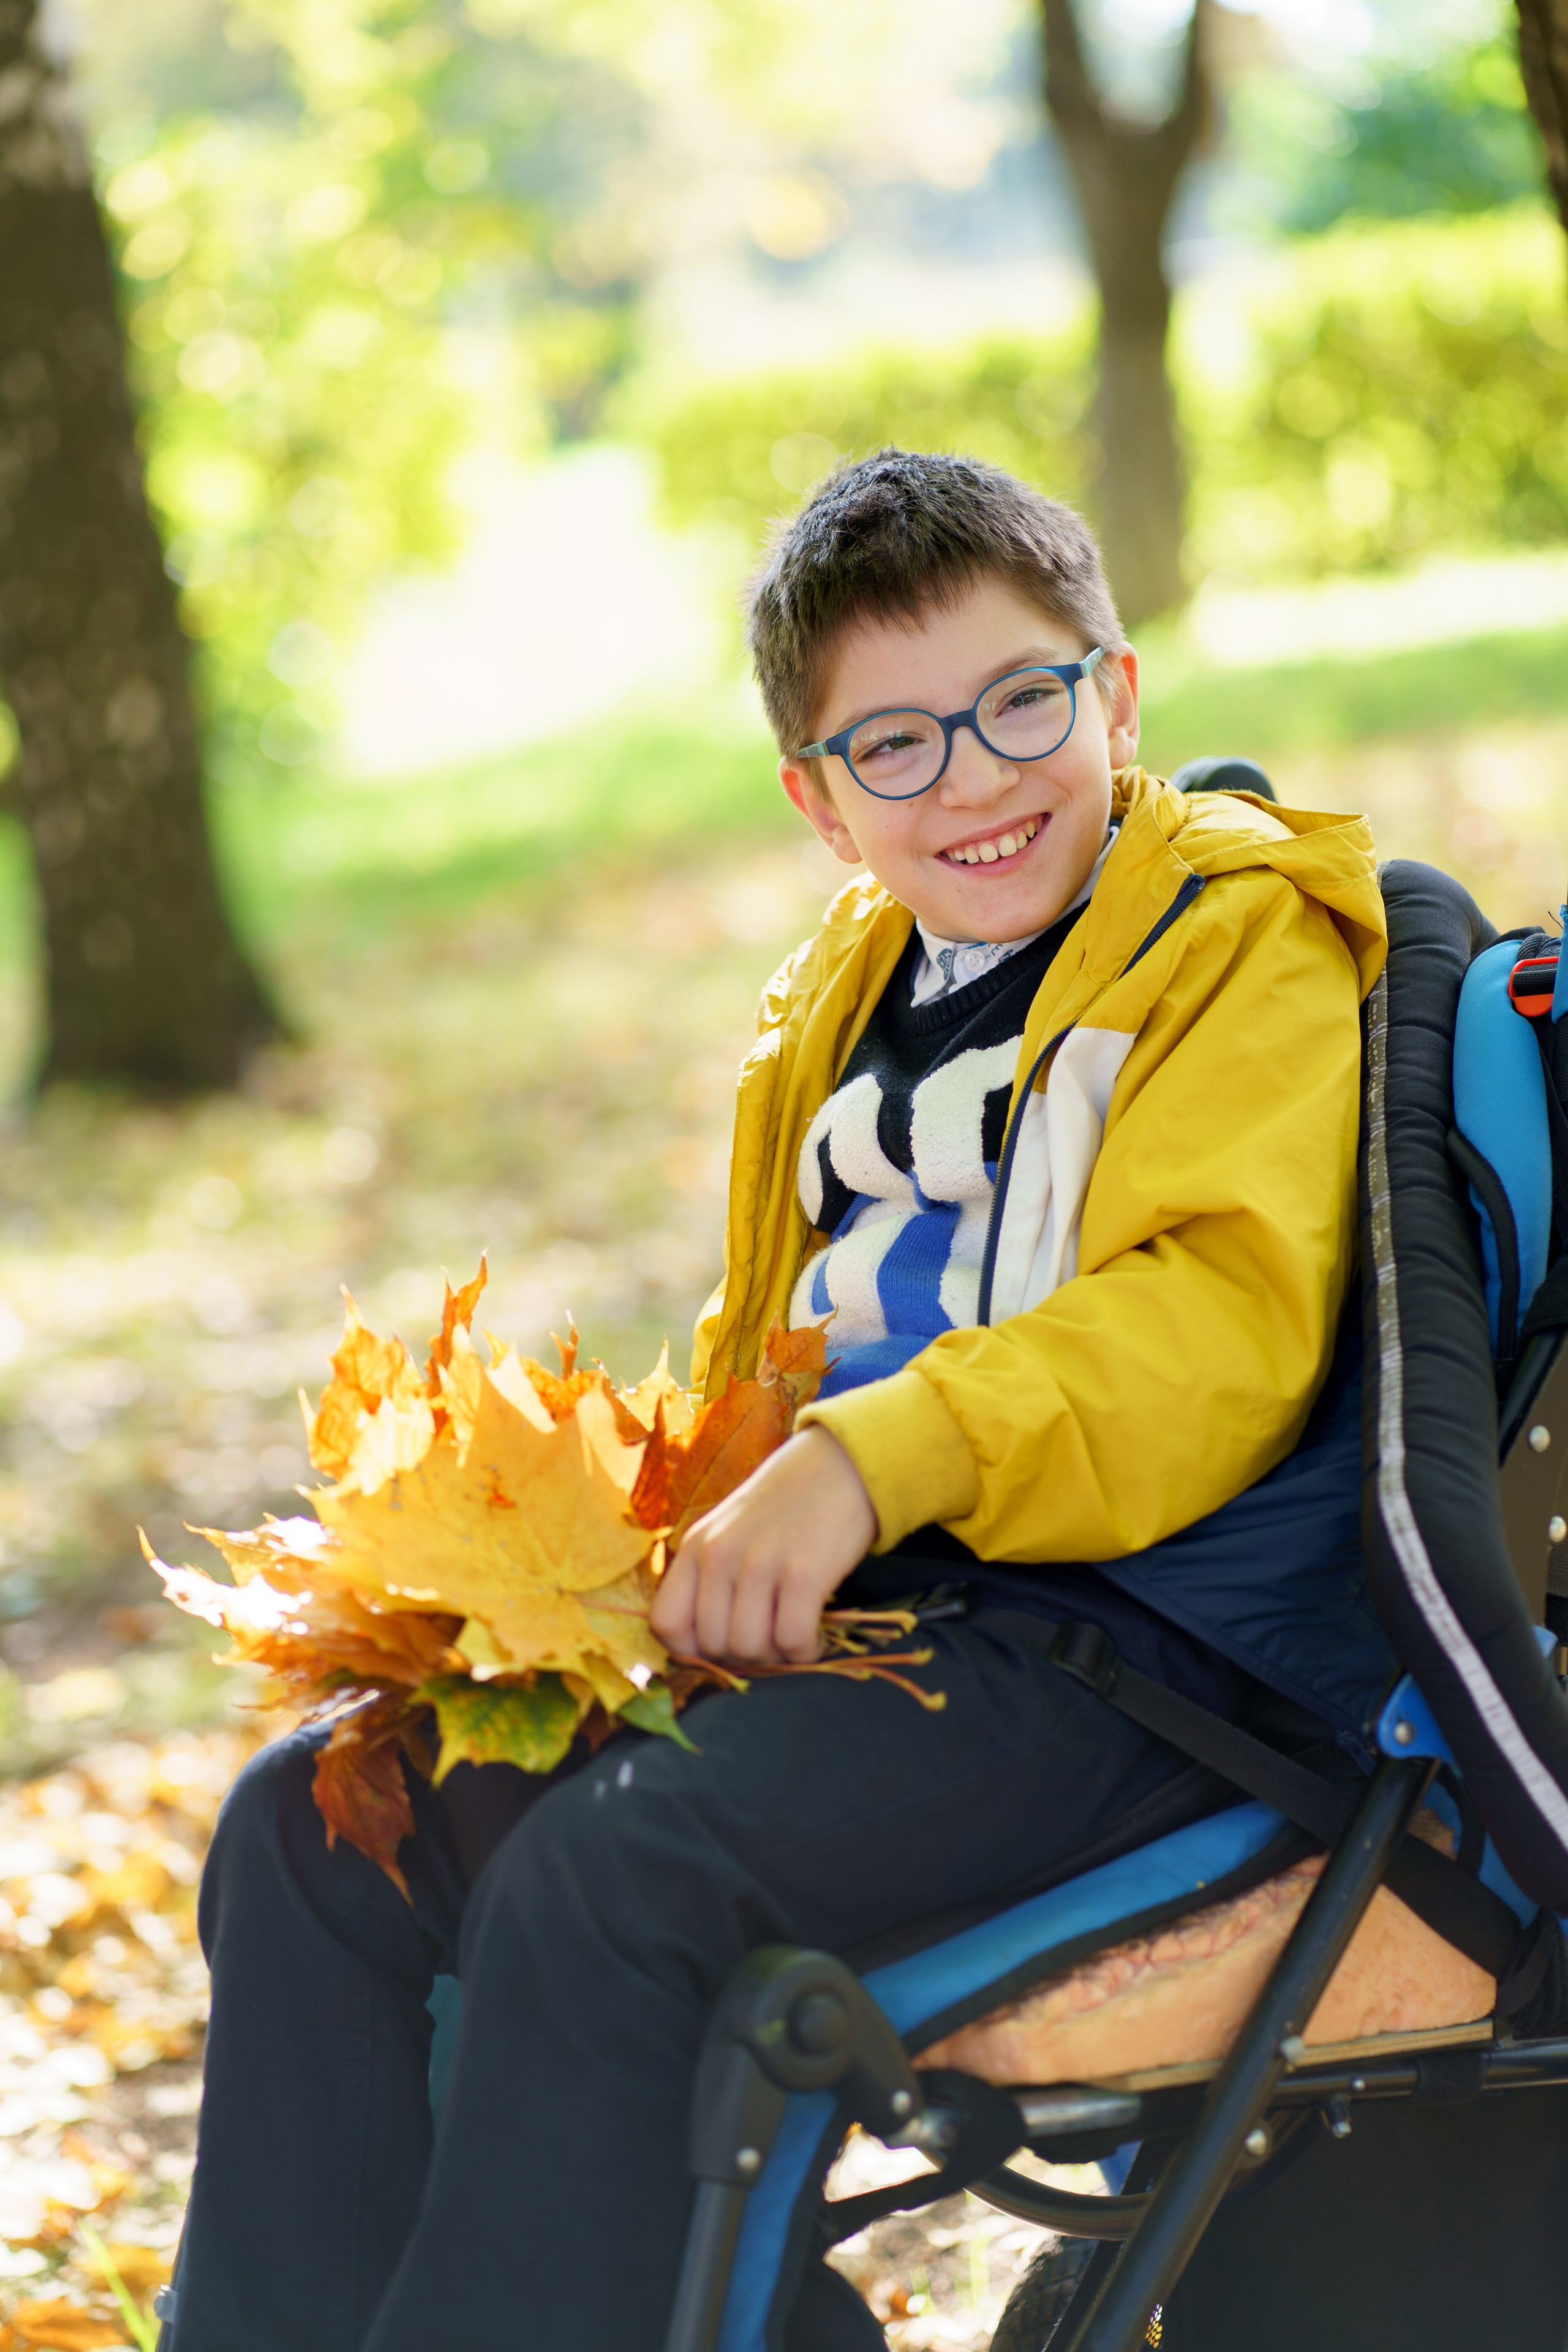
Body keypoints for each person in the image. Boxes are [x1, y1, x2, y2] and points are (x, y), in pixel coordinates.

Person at [161, 450, 1387, 2352]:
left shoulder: (1234, 939)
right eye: (894, 744)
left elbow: (1212, 1328)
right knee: (322, 1820)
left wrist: (866, 1466)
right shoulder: (846, 991)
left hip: (1128, 1647)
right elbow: (791, 1344)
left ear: (1118, 694)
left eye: (1022, 700)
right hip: (873, 1622)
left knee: (611, 1884)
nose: (973, 777)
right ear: (820, 801)